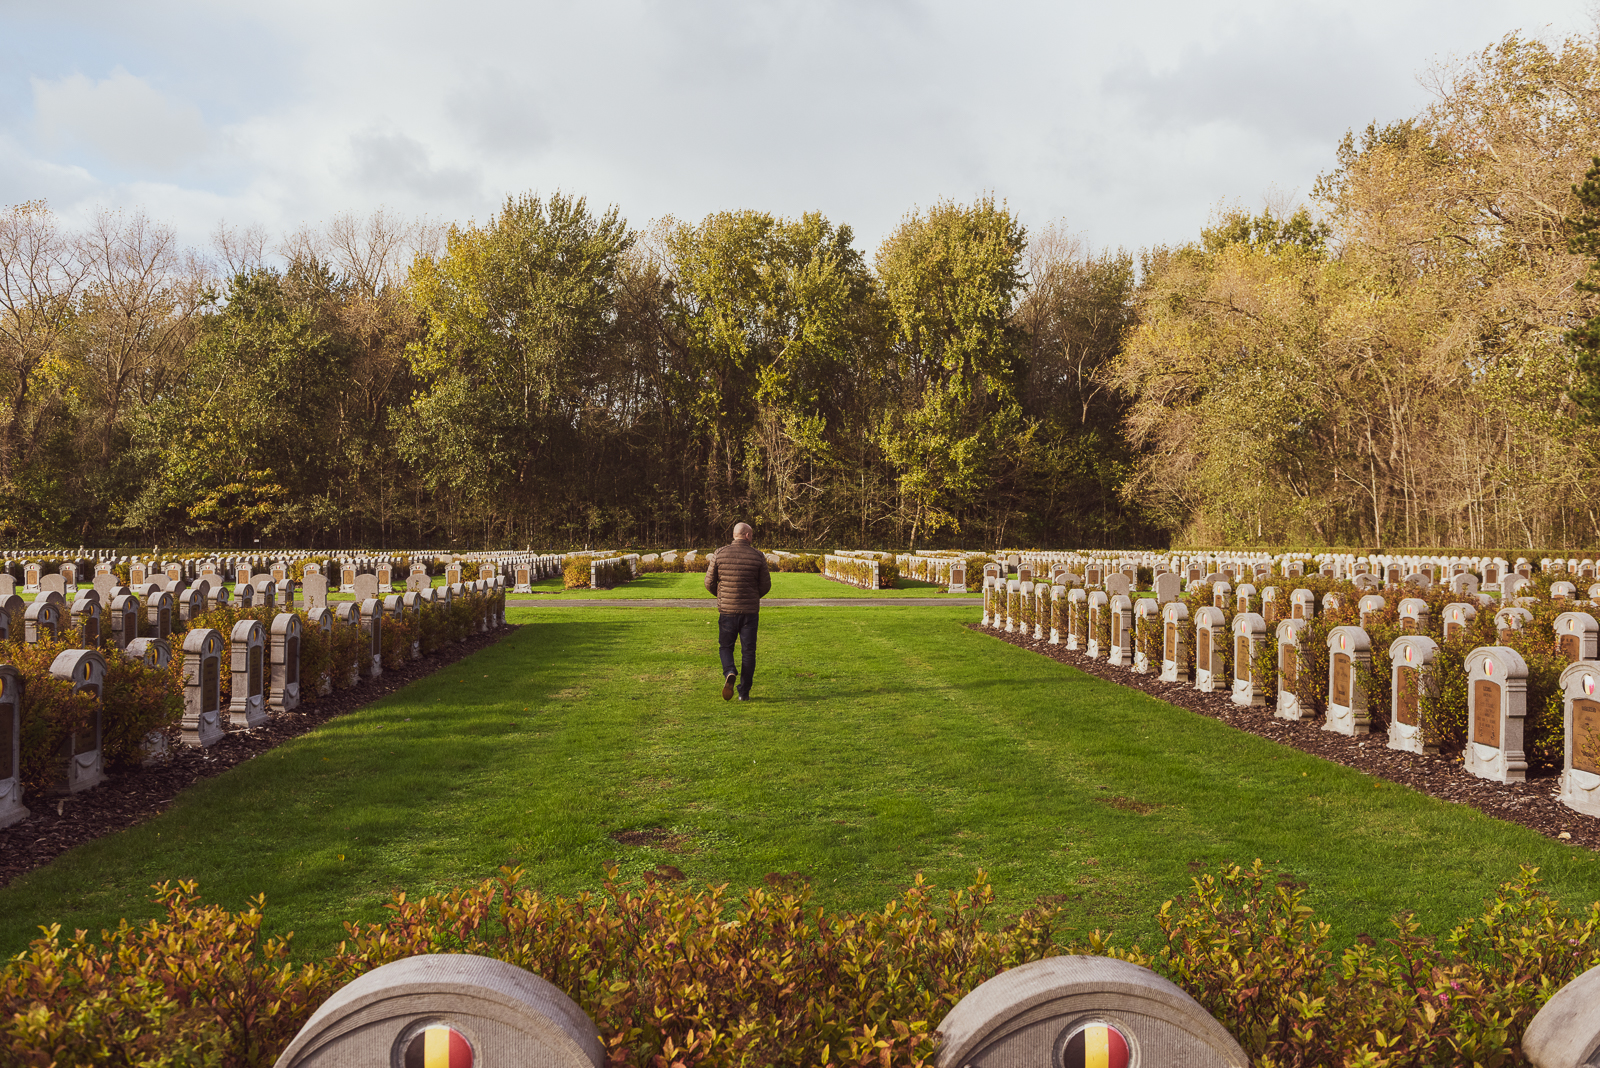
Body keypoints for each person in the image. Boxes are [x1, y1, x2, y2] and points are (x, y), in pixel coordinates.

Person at [704, 522, 772, 701]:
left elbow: (709, 582)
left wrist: (722, 596)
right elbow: (766, 585)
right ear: (747, 535)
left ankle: (729, 671)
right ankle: (744, 692)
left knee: (725, 647)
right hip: (750, 612)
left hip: (727, 611)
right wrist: (752, 596)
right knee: (748, 652)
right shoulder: (757, 556)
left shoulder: (720, 553)